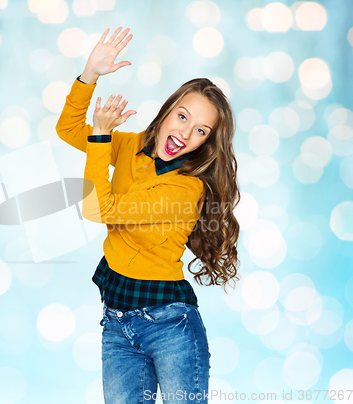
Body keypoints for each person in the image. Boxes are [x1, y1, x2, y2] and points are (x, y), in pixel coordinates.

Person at [56, 27, 240, 404]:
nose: (186, 132)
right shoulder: (131, 145)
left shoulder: (186, 188)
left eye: (201, 130)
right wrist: (89, 74)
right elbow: (68, 129)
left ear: (206, 142)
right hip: (116, 321)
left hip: (170, 324)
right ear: (167, 110)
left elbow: (97, 209)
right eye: (183, 116)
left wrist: (101, 139)